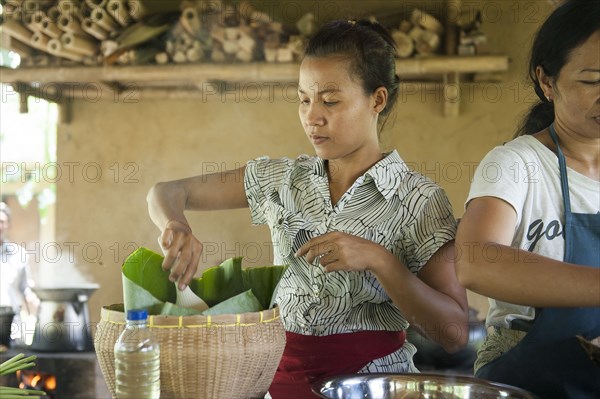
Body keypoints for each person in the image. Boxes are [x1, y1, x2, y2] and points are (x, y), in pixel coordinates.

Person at [147, 19, 468, 398]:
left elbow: (454, 334)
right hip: (276, 384)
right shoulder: (281, 179)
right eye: (303, 99)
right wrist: (175, 223)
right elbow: (166, 191)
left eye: (330, 100)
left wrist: (381, 260)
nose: (312, 116)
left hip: (372, 387)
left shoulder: (418, 199)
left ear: (377, 100)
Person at [455, 1, 600, 398]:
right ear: (547, 81)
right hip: (523, 383)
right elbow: (475, 261)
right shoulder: (516, 164)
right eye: (593, 80)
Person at [0, 202, 38, 318]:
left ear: (8, 225)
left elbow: (25, 287)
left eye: (1, 222)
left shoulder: (19, 254)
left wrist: (33, 298)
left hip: (12, 323)